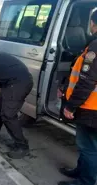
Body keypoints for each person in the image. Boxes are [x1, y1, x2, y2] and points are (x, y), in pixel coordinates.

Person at [57, 10, 97, 185]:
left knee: (88, 147)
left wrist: (70, 106)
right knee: (88, 146)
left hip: (91, 108)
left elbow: (87, 81)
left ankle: (85, 181)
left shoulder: (94, 47)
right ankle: (80, 171)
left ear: (93, 24)